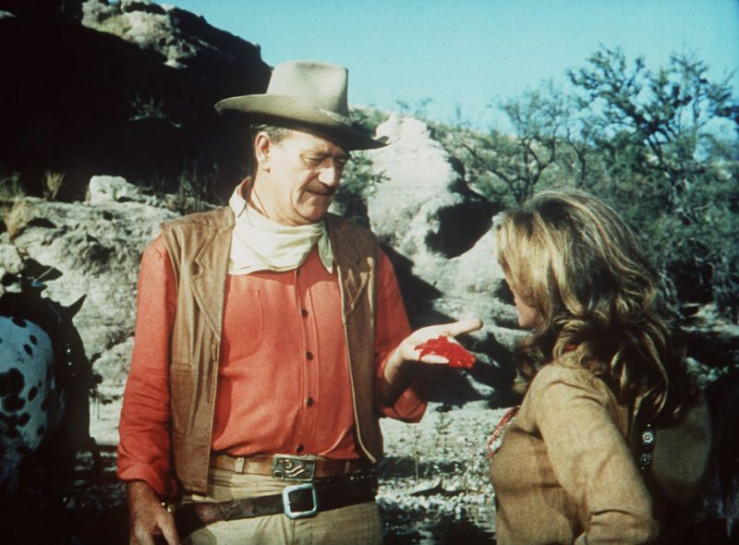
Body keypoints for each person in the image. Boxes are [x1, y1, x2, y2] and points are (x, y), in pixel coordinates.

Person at [117, 60, 482, 545]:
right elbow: (148, 391)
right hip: (227, 519)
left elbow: (382, 394)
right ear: (265, 150)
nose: (331, 178)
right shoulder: (181, 253)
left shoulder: (364, 257)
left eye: (340, 162)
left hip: (346, 515)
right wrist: (142, 496)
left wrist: (402, 359)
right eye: (316, 159)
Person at [488, 190, 712, 544]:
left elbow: (627, 525)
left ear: (544, 278)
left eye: (511, 269)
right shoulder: (648, 368)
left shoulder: (563, 384)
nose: (506, 282)